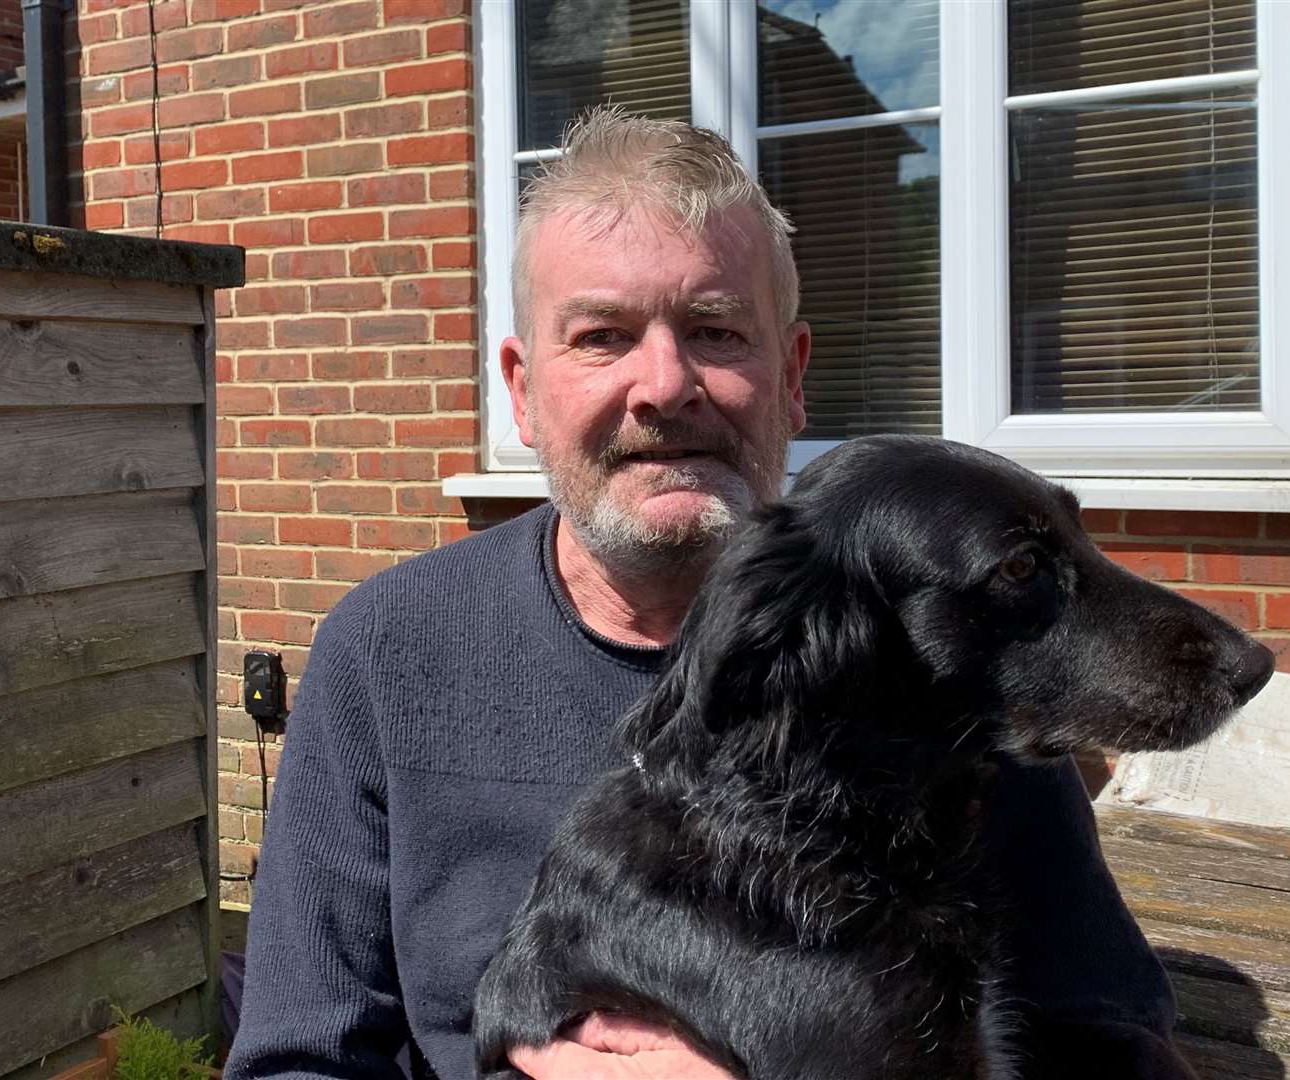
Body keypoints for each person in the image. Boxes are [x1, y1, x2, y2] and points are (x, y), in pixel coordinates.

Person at [225, 107, 1178, 1080]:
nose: (665, 383)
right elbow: (298, 1061)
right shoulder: (390, 656)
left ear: (793, 376)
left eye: (715, 330)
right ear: (521, 391)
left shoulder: (936, 644)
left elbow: (1103, 1046)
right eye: (602, 336)